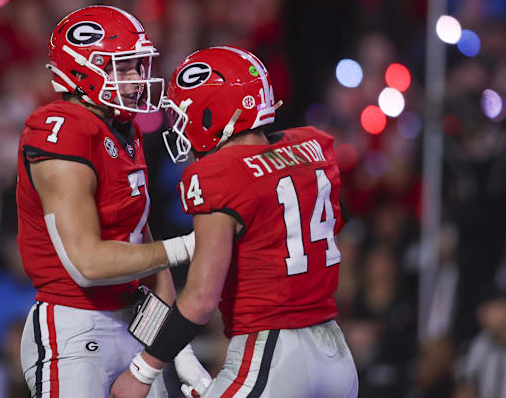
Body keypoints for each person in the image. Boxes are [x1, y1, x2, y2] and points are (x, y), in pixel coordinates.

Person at [111, 46, 358, 398]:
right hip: (336, 354)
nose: (179, 124)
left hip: (272, 353)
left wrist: (142, 371)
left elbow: (200, 299)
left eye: (184, 113)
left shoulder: (218, 173)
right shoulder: (311, 146)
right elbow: (333, 223)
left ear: (214, 112)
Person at [16, 5, 209, 398]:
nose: (137, 78)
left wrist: (177, 346)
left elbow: (141, 241)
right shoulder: (63, 130)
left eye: (137, 66)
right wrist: (190, 246)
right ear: (83, 70)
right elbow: (88, 264)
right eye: (124, 68)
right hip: (74, 326)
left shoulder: (123, 128)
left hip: (132, 319)